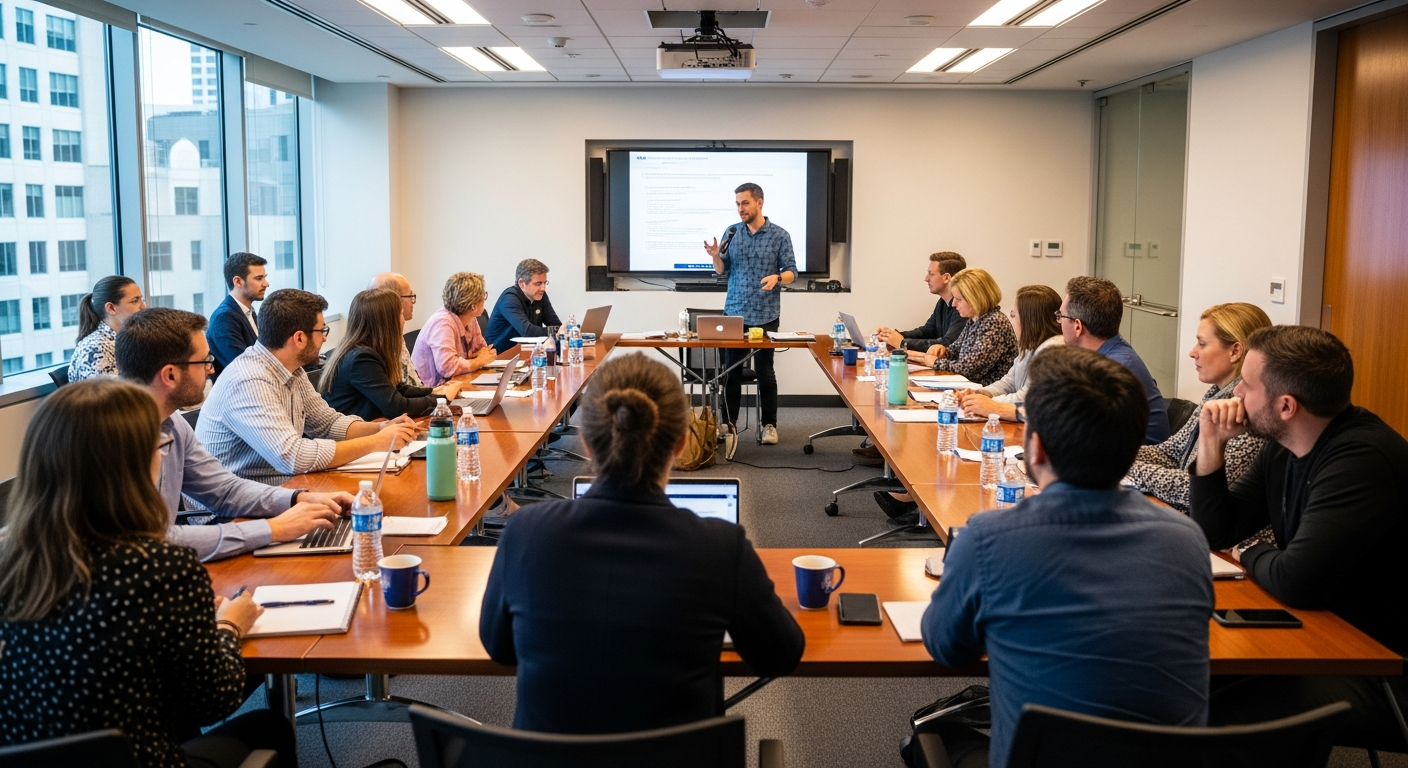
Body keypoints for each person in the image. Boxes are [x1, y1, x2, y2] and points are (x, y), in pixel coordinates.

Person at [917, 346, 1214, 768]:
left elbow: (946, 647)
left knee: (926, 736)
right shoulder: (1187, 541)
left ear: (1035, 449)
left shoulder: (987, 539)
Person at [480, 353, 805, 734]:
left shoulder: (525, 533)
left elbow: (500, 649)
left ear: (585, 442)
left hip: (546, 760)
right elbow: (781, 656)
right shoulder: (720, 547)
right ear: (681, 442)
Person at [0, 379, 295, 768]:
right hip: (139, 758)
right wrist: (229, 625)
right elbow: (214, 700)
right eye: (158, 445)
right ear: (133, 464)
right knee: (270, 727)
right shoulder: (161, 567)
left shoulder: (14, 558)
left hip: (34, 757)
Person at [1190, 325, 1408, 734]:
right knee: (1185, 687)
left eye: (1246, 385)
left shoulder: (1361, 460)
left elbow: (1296, 581)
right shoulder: (1284, 446)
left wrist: (1249, 550)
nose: (1235, 394)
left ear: (1286, 406)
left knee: (1215, 722)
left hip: (1383, 665)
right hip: (1324, 633)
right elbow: (1215, 534)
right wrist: (1211, 444)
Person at [116, 307, 354, 561]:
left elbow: (224, 489)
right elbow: (151, 540)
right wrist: (273, 529)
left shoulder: (172, 421)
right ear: (170, 375)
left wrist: (299, 499)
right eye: (205, 361)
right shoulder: (113, 439)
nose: (211, 369)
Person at [197, 288, 419, 484]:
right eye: (322, 331)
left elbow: (327, 424)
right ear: (299, 338)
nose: (325, 339)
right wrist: (375, 442)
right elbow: (293, 456)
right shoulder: (249, 381)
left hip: (280, 489)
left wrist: (381, 429)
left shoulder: (293, 369)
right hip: (238, 508)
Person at [1125, 302, 1271, 510]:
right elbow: (1171, 453)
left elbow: (1197, 489)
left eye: (1202, 344)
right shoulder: (1216, 393)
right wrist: (1114, 453)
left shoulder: (1247, 412)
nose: (1193, 353)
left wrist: (1127, 468)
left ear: (1235, 351)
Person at [702, 182, 797, 454]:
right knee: (731, 371)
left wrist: (778, 277)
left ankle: (769, 425)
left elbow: (792, 272)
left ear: (759, 202)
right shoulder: (732, 233)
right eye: (737, 204)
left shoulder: (780, 235)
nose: (740, 209)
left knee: (765, 371)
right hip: (734, 312)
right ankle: (728, 423)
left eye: (745, 203)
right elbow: (722, 270)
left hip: (766, 314)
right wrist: (715, 256)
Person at [1058, 276, 1171, 444]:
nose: (1058, 322)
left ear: (1077, 326)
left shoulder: (1112, 370)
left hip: (1137, 458)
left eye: (1060, 316)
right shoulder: (1110, 351)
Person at [322, 289, 462, 420]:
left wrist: (434, 392)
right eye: (401, 314)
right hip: (358, 435)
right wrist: (443, 399)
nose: (404, 319)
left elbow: (397, 388)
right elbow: (397, 407)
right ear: (388, 322)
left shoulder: (368, 349)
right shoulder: (361, 359)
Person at [958, 284, 1064, 422]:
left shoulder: (1053, 351)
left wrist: (987, 404)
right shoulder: (1031, 345)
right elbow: (1009, 382)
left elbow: (1025, 399)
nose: (1010, 318)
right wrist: (980, 394)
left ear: (1028, 320)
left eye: (1014, 314)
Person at [908, 268, 1018, 387]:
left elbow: (969, 370)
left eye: (959, 299)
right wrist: (942, 351)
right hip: (969, 389)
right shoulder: (974, 320)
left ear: (975, 299)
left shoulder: (994, 323)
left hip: (986, 392)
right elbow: (955, 350)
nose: (954, 304)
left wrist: (935, 362)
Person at [412, 271, 498, 386]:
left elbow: (482, 351)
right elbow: (447, 367)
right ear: (473, 306)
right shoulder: (442, 322)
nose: (485, 298)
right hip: (433, 390)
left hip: (457, 382)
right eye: (484, 295)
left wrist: (481, 356)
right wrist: (479, 361)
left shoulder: (470, 318)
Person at [877, 252, 970, 354]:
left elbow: (948, 343)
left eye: (931, 274)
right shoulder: (942, 302)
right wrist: (892, 336)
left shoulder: (963, 307)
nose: (926, 279)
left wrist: (902, 342)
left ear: (946, 278)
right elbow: (926, 331)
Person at [69, 275, 145, 381]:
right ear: (111, 308)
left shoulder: (126, 338)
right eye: (135, 301)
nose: (143, 307)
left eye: (141, 300)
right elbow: (109, 392)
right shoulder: (95, 349)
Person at [207, 252, 269, 377]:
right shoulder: (224, 317)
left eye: (264, 277)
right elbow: (244, 366)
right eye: (259, 278)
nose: (266, 284)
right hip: (243, 387)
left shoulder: (249, 311)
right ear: (238, 282)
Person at [485, 259, 561, 353]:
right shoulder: (509, 298)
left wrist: (559, 330)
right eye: (538, 283)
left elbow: (556, 325)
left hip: (526, 353)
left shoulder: (540, 296)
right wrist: (558, 331)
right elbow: (528, 332)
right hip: (500, 356)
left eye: (545, 283)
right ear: (522, 283)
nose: (543, 288)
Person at [369, 271, 425, 386]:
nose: (413, 301)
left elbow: (409, 385)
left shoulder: (394, 335)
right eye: (410, 296)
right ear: (393, 300)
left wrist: (435, 393)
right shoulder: (371, 351)